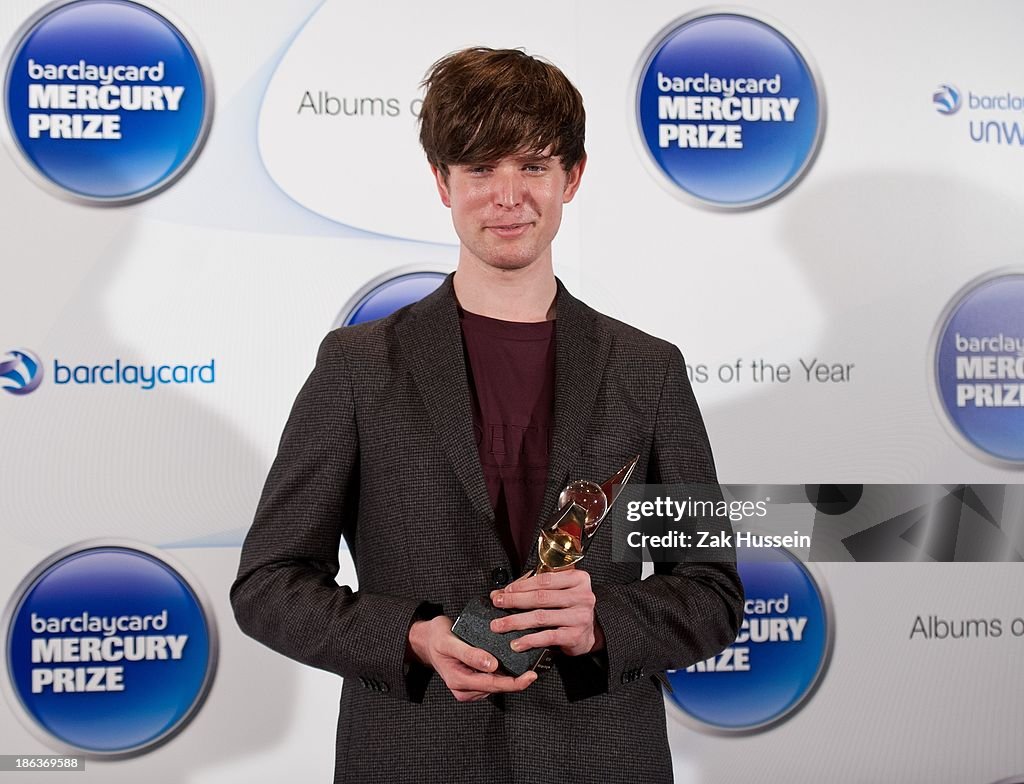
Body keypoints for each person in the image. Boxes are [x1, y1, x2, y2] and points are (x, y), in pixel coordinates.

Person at [231, 47, 743, 784]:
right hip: (414, 758)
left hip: (600, 759)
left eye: (533, 166)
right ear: (442, 182)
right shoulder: (359, 366)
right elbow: (269, 583)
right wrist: (411, 637)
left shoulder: (646, 369)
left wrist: (601, 624)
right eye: (479, 169)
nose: (508, 197)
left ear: (574, 176)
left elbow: (711, 589)